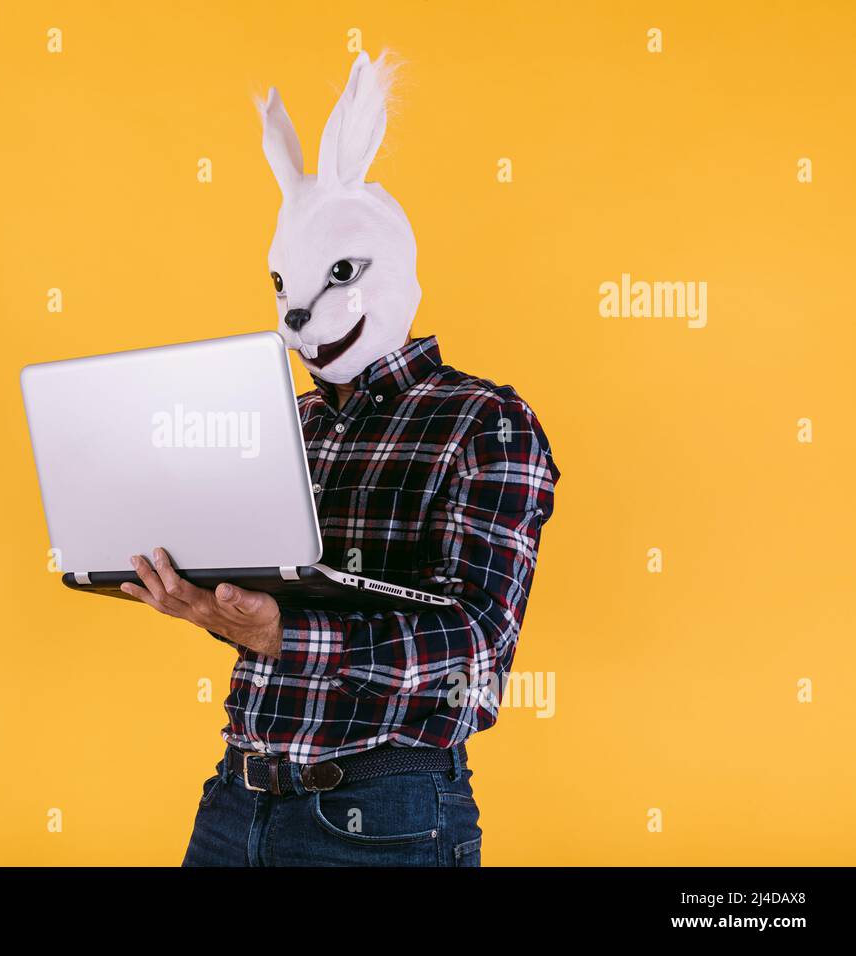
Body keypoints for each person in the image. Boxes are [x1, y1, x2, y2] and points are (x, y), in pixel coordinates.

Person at [121, 51, 560, 866]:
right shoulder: (285, 421)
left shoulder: (485, 422)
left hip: (385, 815)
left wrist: (284, 633)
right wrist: (207, 602)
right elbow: (271, 612)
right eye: (284, 285)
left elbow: (477, 657)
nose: (299, 315)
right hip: (234, 800)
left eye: (337, 276)